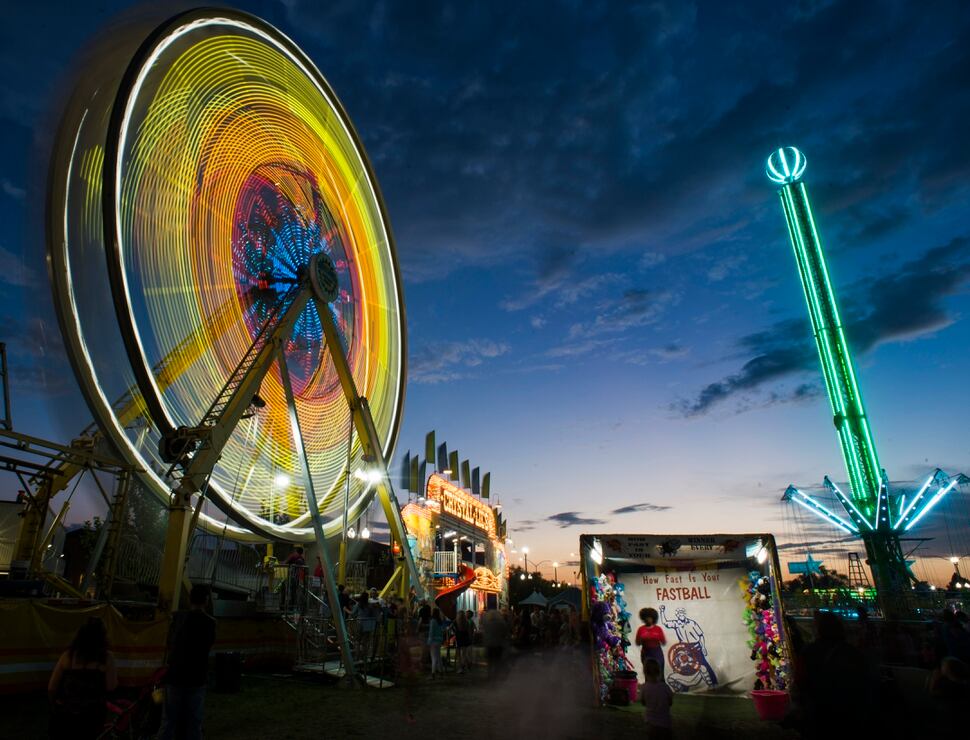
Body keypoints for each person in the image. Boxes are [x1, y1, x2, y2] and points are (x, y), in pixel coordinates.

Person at [159, 584, 216, 740]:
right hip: (196, 677)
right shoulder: (210, 623)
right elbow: (208, 646)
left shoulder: (178, 618)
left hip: (175, 676)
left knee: (168, 721)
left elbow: (169, 643)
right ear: (206, 601)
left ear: (190, 599)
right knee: (194, 722)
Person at [49, 617, 118, 739]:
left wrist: (55, 706)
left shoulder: (68, 656)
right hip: (93, 716)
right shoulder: (107, 658)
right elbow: (111, 687)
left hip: (67, 714)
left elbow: (51, 688)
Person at [641, 658, 673, 739]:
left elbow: (643, 702)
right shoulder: (665, 687)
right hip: (665, 724)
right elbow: (670, 702)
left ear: (645, 672)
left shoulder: (644, 688)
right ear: (659, 671)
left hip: (651, 724)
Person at [636, 607, 667, 679]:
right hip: (646, 653)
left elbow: (664, 642)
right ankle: (648, 686)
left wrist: (655, 638)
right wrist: (643, 639)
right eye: (646, 617)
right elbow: (637, 643)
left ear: (653, 618)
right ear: (643, 618)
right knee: (648, 673)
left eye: (650, 617)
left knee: (659, 673)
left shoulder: (658, 629)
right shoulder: (641, 629)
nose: (648, 619)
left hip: (657, 653)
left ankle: (660, 685)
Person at [481, 604, 510, 679]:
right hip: (498, 645)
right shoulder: (501, 623)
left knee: (490, 661)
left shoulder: (487, 624)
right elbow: (505, 633)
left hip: (489, 645)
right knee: (497, 661)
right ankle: (496, 674)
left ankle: (489, 675)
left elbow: (484, 634)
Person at [427, 608, 447, 678]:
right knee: (438, 657)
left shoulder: (433, 621)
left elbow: (431, 632)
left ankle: (433, 673)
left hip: (433, 641)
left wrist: (429, 641)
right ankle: (441, 672)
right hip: (439, 640)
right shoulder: (440, 621)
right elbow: (442, 630)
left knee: (433, 657)